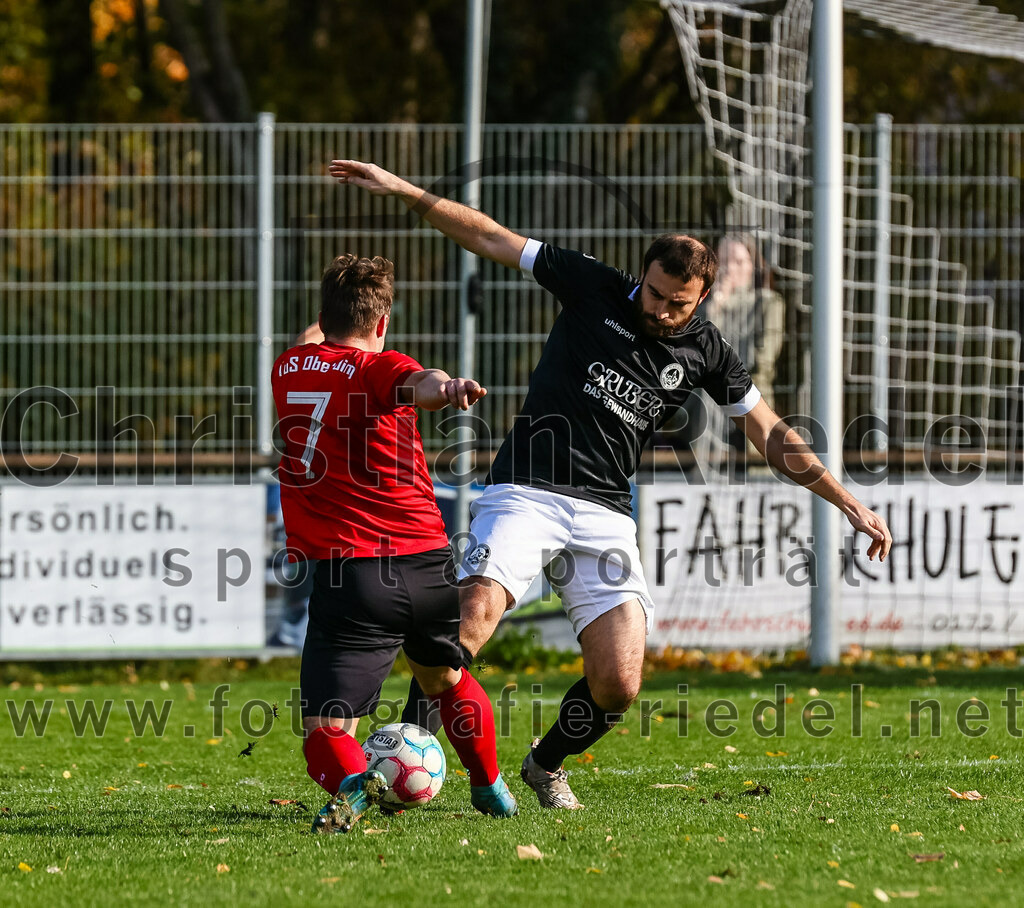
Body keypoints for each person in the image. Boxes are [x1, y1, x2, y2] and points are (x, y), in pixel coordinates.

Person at [328, 160, 893, 810]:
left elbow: (770, 433)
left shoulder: (708, 352)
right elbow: (490, 236)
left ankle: (545, 765)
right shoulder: (594, 286)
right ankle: (399, 762)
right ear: (644, 275)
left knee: (620, 681)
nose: (657, 308)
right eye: (652, 293)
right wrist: (406, 189)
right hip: (527, 489)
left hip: (606, 513)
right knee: (473, 617)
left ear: (701, 298)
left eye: (675, 303)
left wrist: (847, 499)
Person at [272, 253, 518, 832]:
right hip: (429, 564)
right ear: (382, 324)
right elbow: (419, 384)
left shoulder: (288, 368)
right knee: (446, 679)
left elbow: (329, 342)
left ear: (321, 315)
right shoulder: (380, 366)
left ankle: (356, 789)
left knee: (325, 730)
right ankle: (491, 788)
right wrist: (449, 386)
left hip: (353, 572)